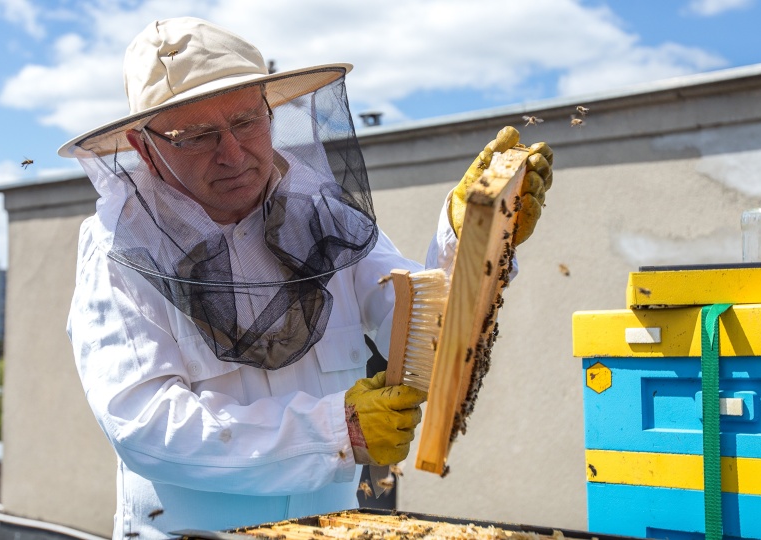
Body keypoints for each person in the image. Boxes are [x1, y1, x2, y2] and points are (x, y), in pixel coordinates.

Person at [60, 17, 552, 539]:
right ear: (143, 147)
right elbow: (145, 425)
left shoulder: (319, 215)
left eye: (247, 121)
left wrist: (472, 240)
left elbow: (422, 336)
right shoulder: (119, 250)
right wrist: (337, 430)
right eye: (197, 136)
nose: (232, 153)